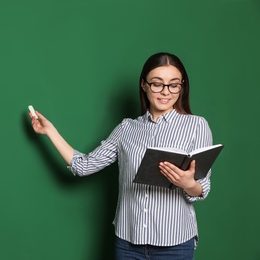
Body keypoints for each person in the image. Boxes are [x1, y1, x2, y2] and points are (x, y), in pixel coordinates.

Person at [29, 52, 214, 260]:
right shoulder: (126, 128)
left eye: (173, 84)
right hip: (128, 243)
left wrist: (188, 183)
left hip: (175, 243)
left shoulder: (196, 126)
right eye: (157, 84)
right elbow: (84, 166)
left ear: (182, 86)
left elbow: (202, 187)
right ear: (144, 85)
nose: (166, 92)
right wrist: (51, 131)